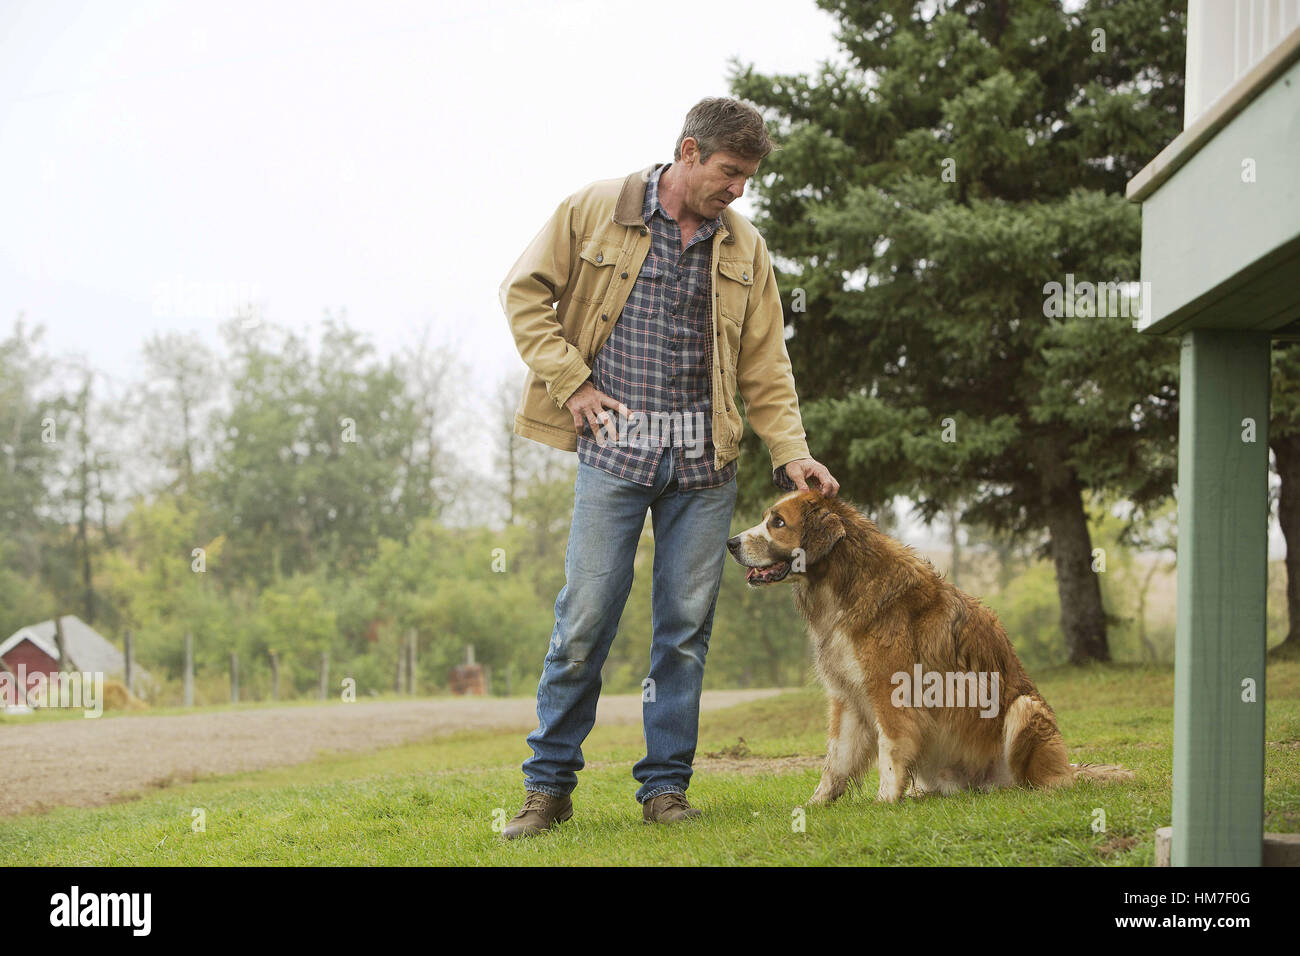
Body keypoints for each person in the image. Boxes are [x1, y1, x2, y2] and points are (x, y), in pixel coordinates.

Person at [498, 96, 839, 838]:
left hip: (703, 466)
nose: (739, 189)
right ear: (689, 152)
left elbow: (765, 363)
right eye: (729, 172)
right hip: (615, 455)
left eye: (748, 177)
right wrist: (574, 383)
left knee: (683, 631)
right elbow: (523, 294)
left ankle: (665, 791)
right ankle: (547, 789)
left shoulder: (744, 248)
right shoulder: (596, 209)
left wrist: (792, 451)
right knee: (584, 620)